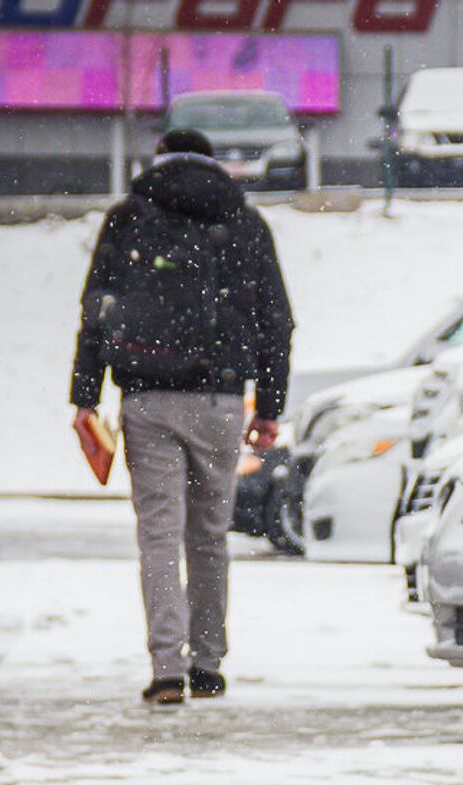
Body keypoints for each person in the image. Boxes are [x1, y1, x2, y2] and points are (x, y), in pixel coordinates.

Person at [70, 128, 293, 705]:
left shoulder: (128, 220)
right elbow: (276, 321)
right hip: (220, 400)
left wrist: (85, 396)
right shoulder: (244, 223)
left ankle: (166, 666)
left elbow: (96, 311)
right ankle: (209, 662)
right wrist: (268, 408)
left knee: (160, 537)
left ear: (159, 161)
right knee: (210, 535)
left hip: (147, 398)